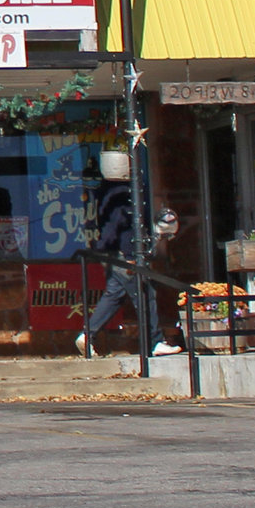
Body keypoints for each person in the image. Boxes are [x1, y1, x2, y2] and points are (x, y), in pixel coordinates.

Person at [80, 148, 181, 357]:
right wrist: (130, 255)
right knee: (145, 294)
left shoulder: (106, 190)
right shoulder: (122, 193)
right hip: (125, 254)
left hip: (114, 254)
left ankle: (87, 335)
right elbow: (121, 226)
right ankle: (155, 342)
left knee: (114, 295)